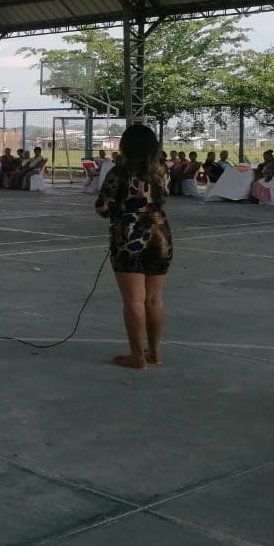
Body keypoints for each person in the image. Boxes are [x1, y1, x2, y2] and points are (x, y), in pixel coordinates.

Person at [94, 124, 172, 370]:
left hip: (129, 236)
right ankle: (155, 353)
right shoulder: (162, 170)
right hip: (160, 234)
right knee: (154, 299)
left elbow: (102, 207)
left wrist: (122, 207)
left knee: (134, 301)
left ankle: (137, 356)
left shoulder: (119, 172)